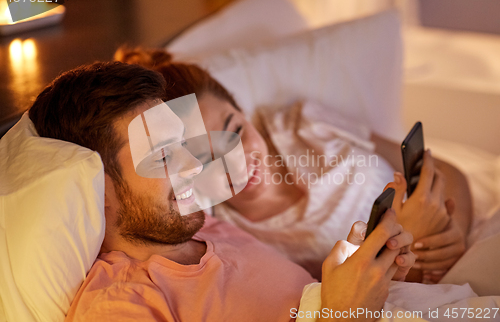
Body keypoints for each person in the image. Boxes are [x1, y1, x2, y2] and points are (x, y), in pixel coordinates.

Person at [29, 61, 414, 321]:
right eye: (164, 156)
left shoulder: (205, 226)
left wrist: (370, 281)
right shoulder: (120, 303)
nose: (194, 166)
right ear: (97, 186)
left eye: (183, 145)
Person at [115, 47, 472, 282]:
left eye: (235, 130)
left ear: (244, 112)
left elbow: (449, 173)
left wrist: (450, 236)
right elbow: (343, 304)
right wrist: (414, 250)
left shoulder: (306, 124)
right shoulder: (227, 235)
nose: (236, 160)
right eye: (206, 159)